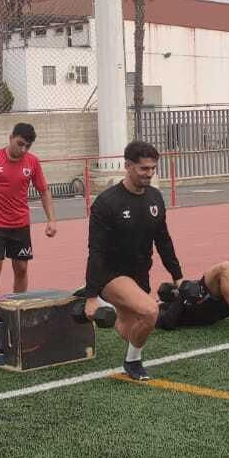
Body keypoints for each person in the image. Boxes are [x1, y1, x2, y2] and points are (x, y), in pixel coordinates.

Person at [80, 141, 182, 381]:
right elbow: (95, 250)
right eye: (143, 169)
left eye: (152, 168)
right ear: (127, 166)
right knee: (149, 311)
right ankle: (133, 362)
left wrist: (177, 276)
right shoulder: (106, 203)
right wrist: (91, 295)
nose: (149, 174)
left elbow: (163, 240)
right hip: (111, 274)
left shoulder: (155, 197)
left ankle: (113, 309)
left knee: (131, 329)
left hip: (139, 273)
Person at [0, 123, 57, 297]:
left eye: (27, 146)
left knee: (21, 268)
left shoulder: (32, 162)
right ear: (11, 138)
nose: (23, 149)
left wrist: (51, 219)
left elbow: (44, 191)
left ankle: (17, 310)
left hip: (20, 224)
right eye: (20, 144)